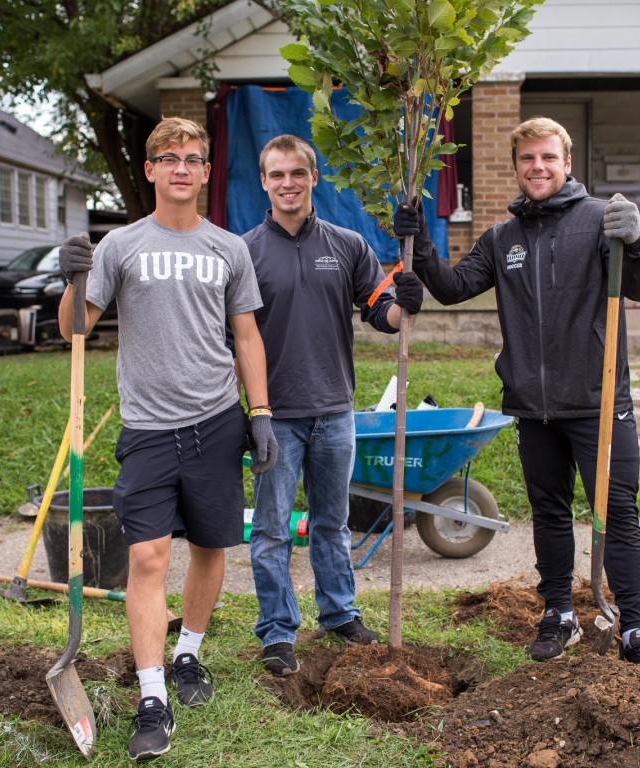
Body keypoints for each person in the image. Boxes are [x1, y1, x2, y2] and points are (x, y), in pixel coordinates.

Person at [393, 116, 640, 666]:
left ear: (566, 163)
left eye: (548, 157)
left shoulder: (599, 221)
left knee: (617, 514)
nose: (537, 167)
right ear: (516, 167)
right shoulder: (503, 238)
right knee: (548, 513)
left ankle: (637, 628)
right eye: (528, 159)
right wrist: (419, 239)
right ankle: (558, 615)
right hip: (534, 408)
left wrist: (636, 241)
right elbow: (452, 288)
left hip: (598, 403)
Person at [57, 116, 278, 761]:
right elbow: (76, 327)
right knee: (149, 556)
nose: (181, 168)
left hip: (216, 421)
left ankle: (189, 656)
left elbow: (246, 336)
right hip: (148, 428)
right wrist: (73, 277)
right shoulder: (121, 247)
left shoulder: (229, 249)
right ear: (150, 170)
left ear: (207, 173)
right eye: (168, 158)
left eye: (193, 159)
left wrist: (259, 412)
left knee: (212, 545)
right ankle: (152, 695)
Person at [239, 134, 423, 676]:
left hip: (335, 411)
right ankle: (276, 630)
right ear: (265, 182)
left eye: (298, 173)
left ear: (313, 177)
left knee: (332, 522)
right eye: (277, 175)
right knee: (271, 527)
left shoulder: (347, 244)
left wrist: (406, 305)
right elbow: (232, 337)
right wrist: (250, 412)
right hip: (274, 416)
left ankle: (339, 614)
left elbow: (380, 311)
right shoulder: (244, 251)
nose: (288, 183)